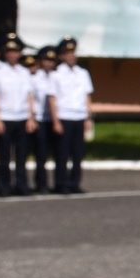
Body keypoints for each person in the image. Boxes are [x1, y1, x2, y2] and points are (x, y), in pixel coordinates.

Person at [0, 34, 36, 196]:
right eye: (9, 51)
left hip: (22, 118)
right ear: (5, 53)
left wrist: (31, 118)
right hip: (5, 118)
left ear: (20, 53)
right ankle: (4, 186)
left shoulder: (24, 72)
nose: (12, 54)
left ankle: (21, 185)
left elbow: (29, 96)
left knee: (21, 156)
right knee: (4, 156)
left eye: (15, 51)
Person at [48, 37, 94, 194]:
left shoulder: (82, 73)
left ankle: (74, 183)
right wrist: (55, 121)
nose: (71, 56)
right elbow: (52, 99)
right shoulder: (56, 74)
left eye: (73, 52)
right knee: (62, 153)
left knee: (77, 153)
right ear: (61, 56)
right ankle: (61, 184)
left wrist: (88, 118)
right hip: (64, 117)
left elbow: (87, 97)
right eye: (67, 53)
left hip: (79, 117)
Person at [27, 48, 55, 193]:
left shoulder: (57, 76)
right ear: (40, 61)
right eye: (46, 60)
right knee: (41, 154)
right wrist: (31, 118)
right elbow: (30, 99)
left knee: (56, 153)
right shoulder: (34, 78)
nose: (49, 63)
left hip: (55, 119)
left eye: (51, 60)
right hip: (40, 119)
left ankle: (59, 183)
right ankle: (41, 183)